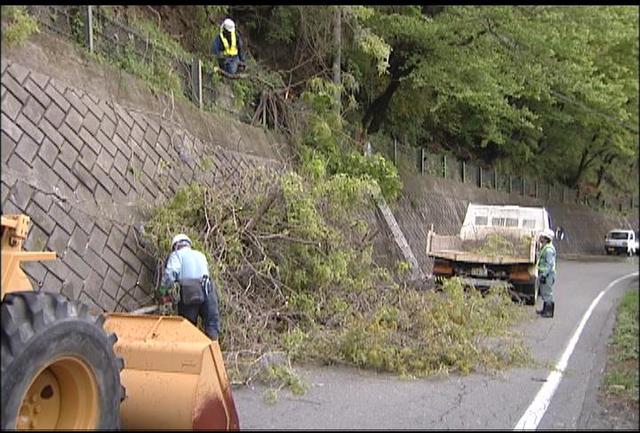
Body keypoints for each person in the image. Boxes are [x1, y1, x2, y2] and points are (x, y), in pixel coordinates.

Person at [160, 234, 220, 339]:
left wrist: (163, 292)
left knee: (188, 329)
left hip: (190, 291)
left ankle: (189, 353)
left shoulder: (177, 255)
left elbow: (170, 274)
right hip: (208, 290)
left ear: (176, 246)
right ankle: (212, 351)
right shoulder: (201, 255)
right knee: (212, 327)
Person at [537, 228, 557, 318]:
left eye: (542, 236)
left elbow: (549, 264)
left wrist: (544, 275)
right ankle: (545, 310)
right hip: (545, 273)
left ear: (546, 238)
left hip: (548, 274)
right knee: (544, 293)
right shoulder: (545, 247)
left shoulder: (548, 250)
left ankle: (549, 312)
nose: (540, 237)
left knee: (547, 293)